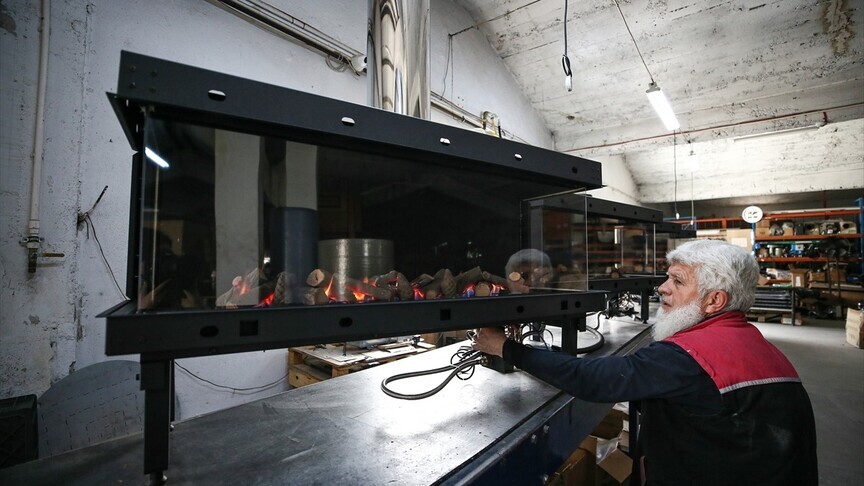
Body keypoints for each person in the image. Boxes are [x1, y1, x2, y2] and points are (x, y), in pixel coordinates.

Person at [472, 239, 818, 485]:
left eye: (677, 281)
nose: (662, 289)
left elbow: (592, 379)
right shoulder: (759, 345)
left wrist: (505, 347)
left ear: (714, 300)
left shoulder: (691, 356)